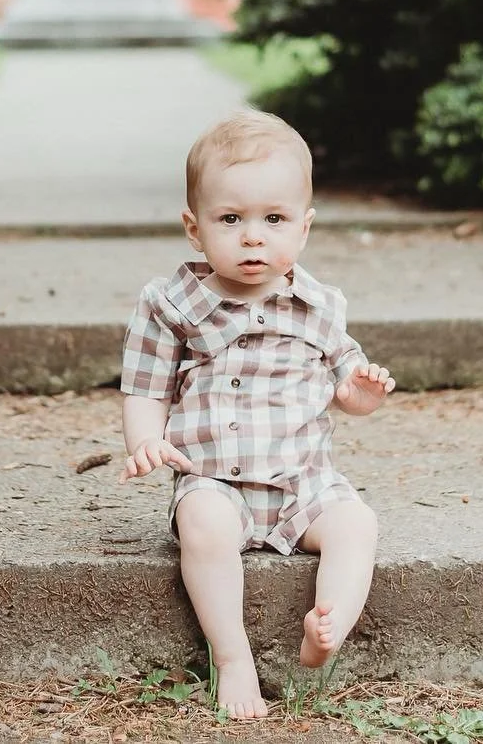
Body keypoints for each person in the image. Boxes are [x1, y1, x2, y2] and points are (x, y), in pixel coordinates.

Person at [118, 110, 396, 718]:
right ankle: (232, 654)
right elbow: (144, 384)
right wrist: (144, 438)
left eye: (274, 219)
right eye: (231, 219)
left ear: (304, 226)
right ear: (195, 228)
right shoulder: (174, 306)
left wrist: (360, 395)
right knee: (206, 529)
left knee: (357, 526)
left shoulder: (319, 306)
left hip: (305, 482)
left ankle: (328, 628)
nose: (253, 237)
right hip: (214, 478)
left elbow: (343, 381)